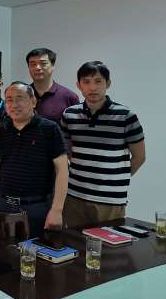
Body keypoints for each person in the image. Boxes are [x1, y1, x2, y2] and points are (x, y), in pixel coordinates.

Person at [61, 61, 146, 228]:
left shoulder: (125, 115)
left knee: (106, 243)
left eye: (98, 81)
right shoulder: (69, 114)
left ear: (108, 83)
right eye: (86, 82)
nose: (92, 87)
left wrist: (116, 179)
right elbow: (68, 152)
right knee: (73, 241)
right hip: (75, 196)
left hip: (110, 199)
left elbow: (139, 157)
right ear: (79, 85)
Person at [0, 82, 69, 237]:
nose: (14, 104)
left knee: (35, 250)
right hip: (3, 205)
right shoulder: (1, 129)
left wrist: (57, 210)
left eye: (20, 98)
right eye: (9, 100)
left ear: (33, 101)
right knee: (2, 249)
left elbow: (62, 170)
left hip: (36, 208)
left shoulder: (49, 129)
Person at [26, 48, 79, 123]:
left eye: (43, 63)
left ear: (53, 66)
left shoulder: (69, 97)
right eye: (33, 64)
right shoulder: (22, 94)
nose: (37, 67)